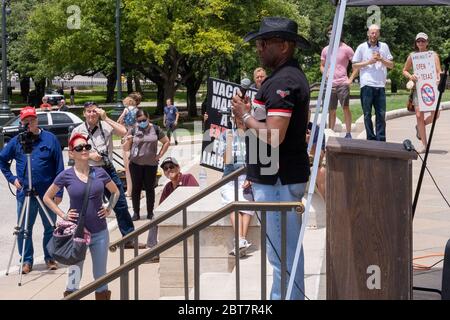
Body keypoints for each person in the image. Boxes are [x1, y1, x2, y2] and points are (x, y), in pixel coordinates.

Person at [231, 17, 311, 300]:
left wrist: (245, 116)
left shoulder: (285, 80)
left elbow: (275, 136)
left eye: (265, 42)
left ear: (285, 46)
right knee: (283, 256)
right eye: (259, 42)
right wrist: (245, 120)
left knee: (283, 258)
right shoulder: (283, 76)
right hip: (274, 178)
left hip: (278, 181)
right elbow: (265, 131)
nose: (259, 48)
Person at [43, 134, 119, 300]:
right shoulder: (66, 175)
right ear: (71, 153)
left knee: (101, 276)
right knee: (74, 275)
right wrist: (63, 214)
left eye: (86, 147)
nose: (84, 150)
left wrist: (109, 208)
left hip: (100, 232)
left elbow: (115, 191)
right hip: (76, 235)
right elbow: (47, 198)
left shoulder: (99, 172)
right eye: (79, 148)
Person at [0, 106, 64, 273]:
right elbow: (2, 160)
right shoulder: (16, 141)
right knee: (23, 229)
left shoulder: (50, 139)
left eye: (32, 120)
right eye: (26, 121)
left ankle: (50, 257)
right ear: (22, 123)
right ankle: (26, 261)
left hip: (47, 194)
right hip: (25, 193)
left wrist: (59, 192)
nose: (29, 124)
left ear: (37, 120)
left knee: (50, 227)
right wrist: (12, 179)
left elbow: (60, 167)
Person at [71, 102, 144, 248]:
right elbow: (72, 154)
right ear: (84, 114)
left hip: (107, 169)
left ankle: (128, 238)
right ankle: (79, 238)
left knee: (120, 203)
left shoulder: (105, 125)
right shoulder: (78, 130)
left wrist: (106, 118)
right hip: (88, 170)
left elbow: (124, 132)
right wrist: (91, 155)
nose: (91, 114)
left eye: (94, 111)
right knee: (86, 205)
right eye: (88, 111)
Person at [146, 157, 198, 260]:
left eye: (171, 167)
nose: (169, 170)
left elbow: (195, 198)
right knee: (155, 218)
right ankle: (152, 249)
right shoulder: (168, 187)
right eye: (165, 168)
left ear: (178, 168)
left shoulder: (188, 178)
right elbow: (160, 208)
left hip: (188, 212)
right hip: (174, 214)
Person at [123, 109, 170, 221]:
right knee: (136, 189)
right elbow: (125, 148)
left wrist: (159, 155)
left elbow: (166, 141)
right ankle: (136, 213)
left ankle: (150, 212)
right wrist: (128, 140)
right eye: (139, 121)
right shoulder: (134, 129)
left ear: (148, 118)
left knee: (150, 188)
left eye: (144, 120)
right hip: (136, 164)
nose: (142, 122)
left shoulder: (156, 129)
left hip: (151, 164)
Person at [219, 113, 254, 257]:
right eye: (237, 119)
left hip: (249, 178)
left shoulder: (253, 135)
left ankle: (240, 241)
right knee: (234, 205)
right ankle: (241, 240)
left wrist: (251, 177)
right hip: (230, 178)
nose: (240, 122)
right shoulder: (226, 135)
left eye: (243, 120)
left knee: (246, 204)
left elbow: (258, 160)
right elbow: (225, 160)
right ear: (233, 120)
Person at [352, 24, 394, 141]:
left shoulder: (384, 47)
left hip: (380, 85)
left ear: (379, 34)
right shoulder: (361, 47)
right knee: (367, 114)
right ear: (368, 34)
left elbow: (391, 65)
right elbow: (354, 65)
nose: (373, 35)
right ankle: (370, 137)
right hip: (366, 85)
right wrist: (368, 62)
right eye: (371, 32)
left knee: (381, 114)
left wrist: (381, 59)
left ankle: (381, 138)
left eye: (376, 33)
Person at [402, 32, 442, 154]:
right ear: (416, 43)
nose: (421, 43)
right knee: (419, 115)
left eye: (423, 41)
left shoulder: (433, 55)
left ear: (427, 42)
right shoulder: (412, 56)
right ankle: (424, 145)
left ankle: (420, 127)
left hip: (431, 88)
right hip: (418, 88)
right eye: (418, 41)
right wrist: (411, 76)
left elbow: (438, 71)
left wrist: (439, 78)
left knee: (436, 114)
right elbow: (404, 70)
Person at [321, 26, 357, 138]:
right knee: (331, 110)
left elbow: (356, 65)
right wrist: (325, 73)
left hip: (342, 83)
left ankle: (348, 133)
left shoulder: (346, 49)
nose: (331, 35)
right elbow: (322, 66)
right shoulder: (326, 49)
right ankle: (330, 134)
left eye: (333, 33)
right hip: (330, 85)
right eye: (329, 34)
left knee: (345, 108)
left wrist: (350, 79)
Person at [117, 97, 139, 197]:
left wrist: (122, 124)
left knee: (127, 166)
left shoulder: (126, 110)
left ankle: (130, 191)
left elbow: (119, 120)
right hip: (135, 136)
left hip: (127, 135)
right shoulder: (138, 110)